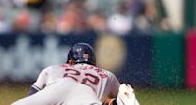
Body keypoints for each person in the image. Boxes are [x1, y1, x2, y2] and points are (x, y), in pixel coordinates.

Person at [11, 42, 140, 105]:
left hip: (59, 87)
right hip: (86, 96)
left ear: (70, 62)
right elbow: (112, 98)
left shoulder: (55, 68)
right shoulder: (107, 75)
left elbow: (33, 93)